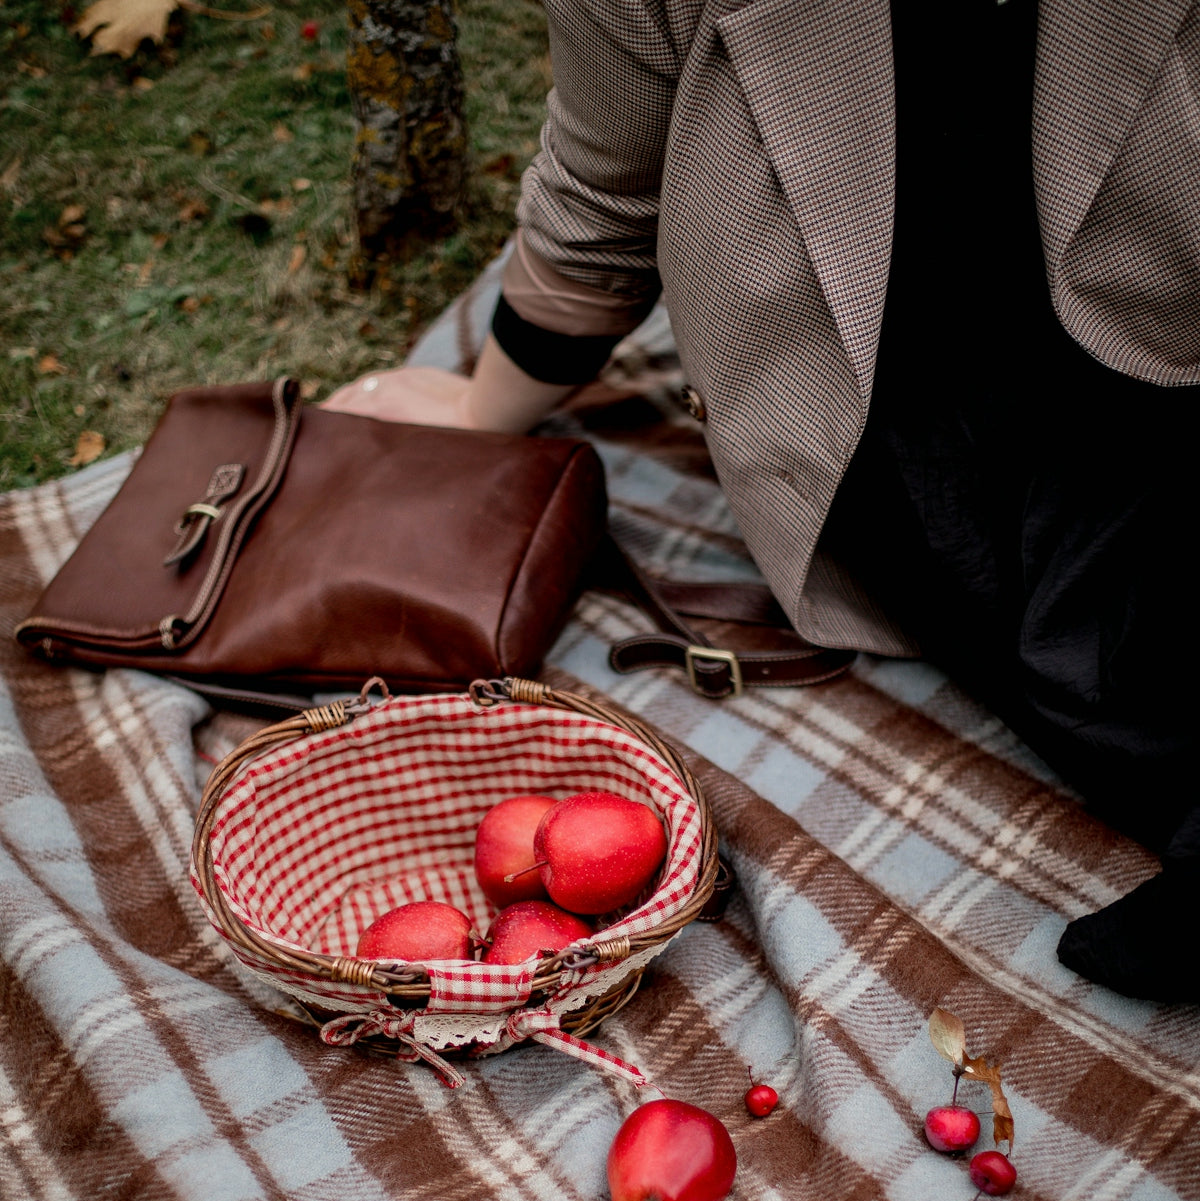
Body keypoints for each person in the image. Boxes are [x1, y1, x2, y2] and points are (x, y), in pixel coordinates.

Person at [326, 0, 1200, 1004]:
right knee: (1097, 640)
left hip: (1155, 349)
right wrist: (483, 409)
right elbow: (603, 199)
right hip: (889, 393)